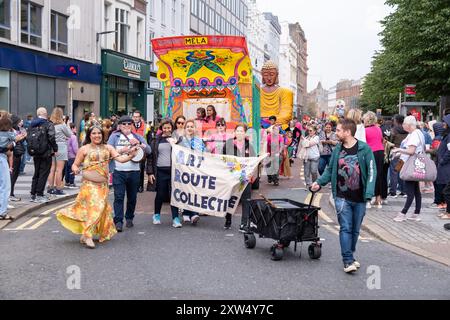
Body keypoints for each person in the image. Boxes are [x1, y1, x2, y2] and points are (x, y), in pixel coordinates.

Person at [56, 125, 138, 249]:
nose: (97, 135)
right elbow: (75, 165)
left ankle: (85, 235)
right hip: (88, 185)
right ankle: (88, 235)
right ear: (90, 135)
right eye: (94, 133)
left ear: (102, 135)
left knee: (98, 210)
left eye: (99, 133)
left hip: (103, 186)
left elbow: (120, 159)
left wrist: (132, 155)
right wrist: (76, 169)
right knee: (96, 208)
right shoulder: (84, 149)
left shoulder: (108, 148)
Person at [311, 119, 376, 273]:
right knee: (345, 228)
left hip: (360, 197)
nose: (337, 132)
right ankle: (347, 260)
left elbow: (372, 171)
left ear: (347, 132)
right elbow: (330, 169)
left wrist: (369, 193)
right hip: (341, 196)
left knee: (355, 230)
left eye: (339, 130)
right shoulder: (338, 149)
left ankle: (351, 255)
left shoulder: (364, 149)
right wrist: (319, 183)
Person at [108, 115, 152, 232]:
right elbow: (108, 151)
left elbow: (149, 150)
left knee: (132, 197)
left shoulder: (137, 136)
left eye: (129, 124)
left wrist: (139, 143)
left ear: (132, 126)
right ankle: (118, 221)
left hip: (134, 172)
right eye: (124, 124)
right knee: (119, 196)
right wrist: (122, 150)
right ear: (119, 126)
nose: (126, 126)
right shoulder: (114, 136)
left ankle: (129, 218)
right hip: (119, 171)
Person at [146, 120, 183, 228]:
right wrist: (150, 172)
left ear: (172, 128)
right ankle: (156, 215)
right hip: (160, 171)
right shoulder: (155, 140)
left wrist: (176, 144)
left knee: (173, 195)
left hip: (173, 171)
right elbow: (150, 158)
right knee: (160, 194)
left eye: (169, 128)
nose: (167, 130)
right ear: (161, 128)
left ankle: (175, 218)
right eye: (164, 128)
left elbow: (182, 154)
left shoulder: (177, 139)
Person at [391, 116, 425, 222]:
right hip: (414, 163)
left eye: (404, 124)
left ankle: (403, 213)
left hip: (410, 164)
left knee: (409, 189)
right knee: (415, 190)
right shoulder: (417, 133)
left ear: (409, 125)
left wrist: (399, 150)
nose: (403, 126)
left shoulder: (414, 135)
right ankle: (416, 213)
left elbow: (410, 151)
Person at [223, 124, 256, 230]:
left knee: (246, 200)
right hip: (232, 177)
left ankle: (244, 223)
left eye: (242, 131)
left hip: (244, 177)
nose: (239, 133)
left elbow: (253, 162)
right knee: (230, 199)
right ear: (235, 132)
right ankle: (228, 219)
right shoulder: (228, 144)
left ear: (245, 133)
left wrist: (251, 174)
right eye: (238, 131)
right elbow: (222, 159)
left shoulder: (249, 146)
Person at [176, 120, 205, 224]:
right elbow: (177, 155)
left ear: (195, 128)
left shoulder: (199, 141)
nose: (189, 128)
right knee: (186, 191)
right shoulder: (181, 141)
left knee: (195, 191)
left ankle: (194, 213)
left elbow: (203, 154)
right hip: (184, 170)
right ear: (185, 128)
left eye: (192, 126)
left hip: (195, 170)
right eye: (187, 126)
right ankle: (186, 213)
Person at [28, 107, 58, 203]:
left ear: (37, 114)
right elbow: (51, 137)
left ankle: (33, 194)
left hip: (35, 152)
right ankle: (39, 194)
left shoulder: (31, 124)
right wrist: (55, 149)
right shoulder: (48, 124)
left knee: (36, 172)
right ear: (46, 114)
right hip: (46, 152)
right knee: (44, 173)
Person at [260, 61, 294, 129]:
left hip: (277, 126)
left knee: (283, 128)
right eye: (266, 75)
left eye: (272, 74)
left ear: (277, 75)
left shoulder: (285, 92)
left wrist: (268, 122)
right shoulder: (256, 91)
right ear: (262, 75)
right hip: (259, 125)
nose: (269, 78)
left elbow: (286, 114)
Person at [46, 107, 72, 196]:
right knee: (59, 170)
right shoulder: (62, 125)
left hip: (51, 147)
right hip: (61, 146)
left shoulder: (50, 124)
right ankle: (58, 188)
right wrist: (67, 124)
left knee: (52, 169)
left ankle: (50, 188)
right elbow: (70, 134)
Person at [363, 111, 384, 209]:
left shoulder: (365, 130)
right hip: (380, 152)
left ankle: (368, 198)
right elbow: (381, 140)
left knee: (370, 175)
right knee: (379, 175)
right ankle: (378, 199)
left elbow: (364, 144)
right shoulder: (378, 128)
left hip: (371, 153)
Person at [388, 115, 408, 198]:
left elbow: (390, 140)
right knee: (401, 170)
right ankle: (404, 191)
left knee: (394, 171)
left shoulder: (394, 130)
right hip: (404, 152)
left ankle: (393, 191)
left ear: (396, 121)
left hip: (395, 151)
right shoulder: (407, 130)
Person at [0, 115, 15, 220]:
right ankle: (2, 212)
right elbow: (16, 139)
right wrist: (12, 143)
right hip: (1, 159)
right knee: (5, 186)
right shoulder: (8, 134)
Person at [435, 115, 450, 220]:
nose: (443, 124)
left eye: (445, 122)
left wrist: (442, 160)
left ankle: (449, 212)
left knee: (447, 190)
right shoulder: (447, 135)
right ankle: (447, 211)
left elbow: (449, 151)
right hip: (444, 165)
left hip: (446, 166)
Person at [10, 115, 27, 202]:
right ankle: (10, 194)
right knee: (12, 175)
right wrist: (21, 137)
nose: (20, 123)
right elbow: (12, 142)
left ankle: (11, 193)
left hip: (18, 154)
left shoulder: (17, 129)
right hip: (13, 155)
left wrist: (23, 137)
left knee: (15, 174)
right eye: (18, 121)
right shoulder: (11, 130)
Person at [131, 110, 147, 193]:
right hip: (132, 149)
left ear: (140, 117)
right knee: (133, 168)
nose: (136, 118)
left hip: (142, 149)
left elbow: (148, 138)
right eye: (134, 117)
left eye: (137, 117)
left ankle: (140, 186)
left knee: (141, 168)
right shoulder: (129, 125)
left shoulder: (145, 126)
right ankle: (133, 186)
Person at [65, 123, 79, 189]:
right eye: (75, 128)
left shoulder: (66, 136)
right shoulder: (73, 137)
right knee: (72, 169)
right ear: (72, 128)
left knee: (67, 170)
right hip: (72, 156)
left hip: (66, 156)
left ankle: (67, 182)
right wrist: (78, 154)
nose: (76, 129)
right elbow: (75, 147)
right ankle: (72, 183)